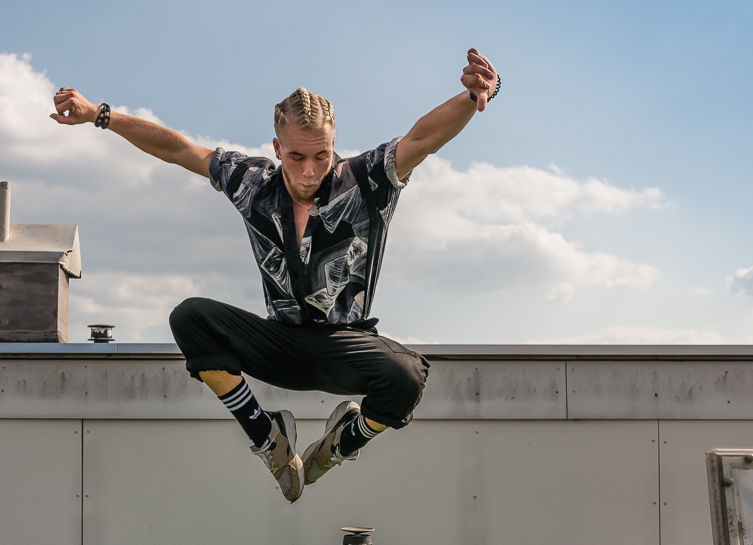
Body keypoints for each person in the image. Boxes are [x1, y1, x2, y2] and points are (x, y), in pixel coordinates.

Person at [52, 49, 498, 503]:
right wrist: (99, 115)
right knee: (189, 317)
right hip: (279, 341)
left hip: (343, 344)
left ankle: (340, 444)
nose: (309, 171)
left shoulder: (367, 179)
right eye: (297, 157)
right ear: (277, 148)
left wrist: (475, 95)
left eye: (321, 156)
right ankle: (268, 436)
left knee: (406, 378)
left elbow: (423, 139)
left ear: (334, 145)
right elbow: (178, 148)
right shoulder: (252, 182)